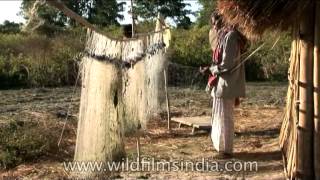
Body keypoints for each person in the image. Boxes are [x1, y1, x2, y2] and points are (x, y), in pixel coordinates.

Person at [208, 15, 247, 156]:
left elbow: (227, 64)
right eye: (213, 24)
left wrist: (212, 69)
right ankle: (222, 148)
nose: (215, 26)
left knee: (226, 117)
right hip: (223, 83)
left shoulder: (230, 37)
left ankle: (226, 150)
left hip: (227, 83)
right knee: (221, 116)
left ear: (224, 21)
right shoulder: (226, 36)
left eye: (217, 22)